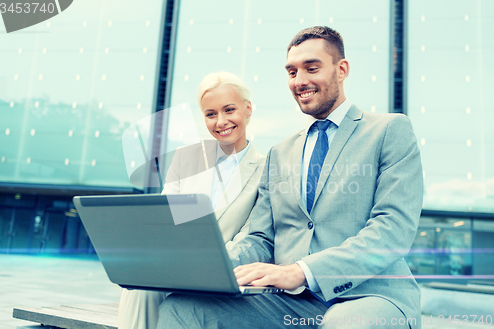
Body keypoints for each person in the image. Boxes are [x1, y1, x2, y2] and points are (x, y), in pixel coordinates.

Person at [157, 26, 424, 329]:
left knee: (344, 323)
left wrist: (301, 271)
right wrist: (204, 264)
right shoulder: (279, 154)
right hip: (291, 302)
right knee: (182, 307)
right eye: (292, 72)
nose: (300, 81)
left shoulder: (389, 131)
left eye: (312, 68)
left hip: (371, 298)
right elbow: (260, 238)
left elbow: (392, 231)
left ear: (342, 69)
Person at [118, 71, 265, 329]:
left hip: (224, 273)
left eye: (229, 110)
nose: (221, 121)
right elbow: (165, 221)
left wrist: (201, 265)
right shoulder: (185, 159)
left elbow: (252, 236)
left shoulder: (267, 169)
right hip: (174, 265)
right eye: (210, 114)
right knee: (139, 287)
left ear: (248, 108)